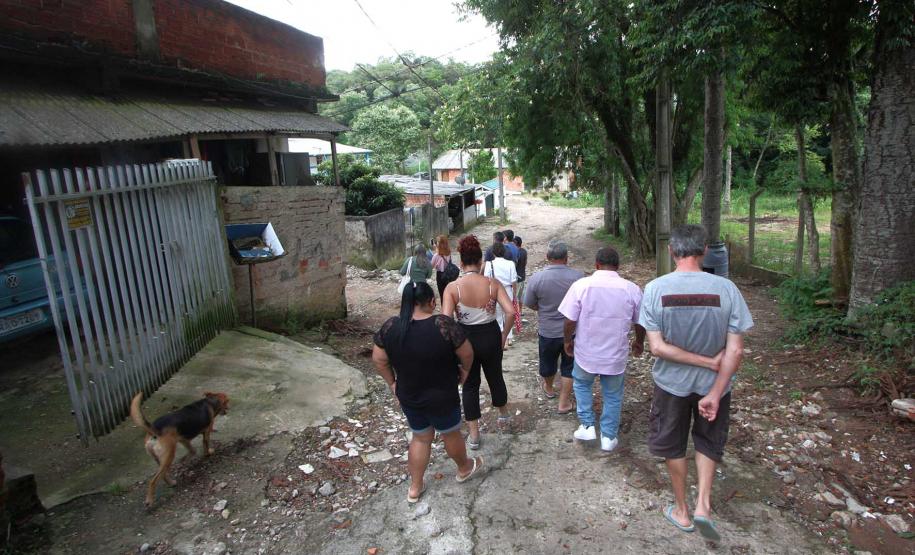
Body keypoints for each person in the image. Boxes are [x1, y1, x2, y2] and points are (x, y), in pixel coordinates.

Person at [637, 224, 753, 542]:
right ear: (704, 251)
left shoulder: (655, 289)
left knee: (673, 444)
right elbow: (737, 348)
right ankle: (703, 504)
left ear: (671, 251)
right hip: (715, 387)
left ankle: (682, 510)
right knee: (708, 441)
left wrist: (702, 361)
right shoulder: (727, 290)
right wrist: (715, 388)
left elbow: (657, 348)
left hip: (671, 385)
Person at [372, 282, 485, 502]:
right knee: (450, 433)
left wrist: (392, 383)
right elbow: (468, 353)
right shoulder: (443, 325)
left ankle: (415, 488)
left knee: (421, 438)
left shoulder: (390, 327)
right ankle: (464, 468)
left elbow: (378, 360)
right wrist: (464, 372)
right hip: (443, 394)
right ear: (432, 302)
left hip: (410, 395)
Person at [559, 247, 644, 452]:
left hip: (586, 351)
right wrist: (639, 342)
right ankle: (608, 436)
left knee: (582, 384)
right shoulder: (631, 289)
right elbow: (640, 322)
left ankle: (587, 425)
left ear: (596, 265)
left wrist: (567, 341)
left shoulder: (582, 286)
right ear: (618, 267)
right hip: (615, 355)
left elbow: (570, 320)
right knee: (613, 394)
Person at [442, 235, 516, 449]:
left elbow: (446, 323)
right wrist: (503, 335)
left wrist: (452, 348)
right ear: (480, 262)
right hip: (491, 336)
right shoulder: (493, 284)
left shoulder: (452, 288)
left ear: (461, 262)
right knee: (495, 376)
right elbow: (510, 312)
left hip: (466, 340)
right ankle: (504, 417)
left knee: (470, 385)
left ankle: (474, 435)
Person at [523, 241, 583, 413]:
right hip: (572, 331)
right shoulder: (578, 277)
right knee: (569, 366)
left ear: (547, 257)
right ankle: (564, 402)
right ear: (566, 258)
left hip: (547, 330)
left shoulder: (537, 278)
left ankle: (549, 388)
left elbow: (529, 303)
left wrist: (543, 308)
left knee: (547, 363)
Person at [484, 242, 518, 346]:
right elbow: (514, 281)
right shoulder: (511, 264)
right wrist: (514, 294)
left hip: (495, 291)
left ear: (493, 252)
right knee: (509, 314)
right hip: (508, 290)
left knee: (497, 315)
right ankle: (509, 338)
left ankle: (500, 338)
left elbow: (486, 279)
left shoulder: (489, 264)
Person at [431, 235, 457, 302]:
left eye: (437, 242)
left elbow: (431, 266)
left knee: (442, 294)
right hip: (449, 274)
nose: (436, 243)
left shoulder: (436, 255)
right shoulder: (449, 252)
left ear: (440, 244)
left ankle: (444, 309)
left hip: (440, 275)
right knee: (448, 293)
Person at [513, 235, 528, 314]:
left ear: (515, 243)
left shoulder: (514, 252)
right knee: (520, 296)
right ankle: (520, 311)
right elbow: (525, 263)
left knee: (514, 296)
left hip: (515, 278)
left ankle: (514, 312)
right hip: (522, 276)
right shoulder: (524, 251)